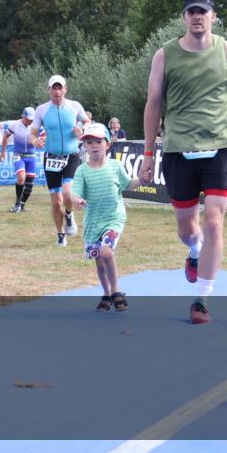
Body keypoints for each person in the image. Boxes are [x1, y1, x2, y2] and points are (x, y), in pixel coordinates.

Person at [140, 0, 227, 325]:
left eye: (203, 11)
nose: (197, 17)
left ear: (213, 16)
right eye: (191, 12)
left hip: (220, 147)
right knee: (187, 229)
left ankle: (201, 299)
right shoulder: (164, 55)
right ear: (184, 17)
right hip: (178, 150)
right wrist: (149, 153)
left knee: (214, 221)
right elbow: (153, 104)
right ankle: (194, 252)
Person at [71, 123, 141, 313]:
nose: (94, 145)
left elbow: (128, 184)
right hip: (93, 222)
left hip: (114, 218)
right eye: (89, 142)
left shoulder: (116, 166)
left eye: (98, 141)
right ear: (84, 146)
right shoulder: (82, 170)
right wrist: (77, 200)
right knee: (99, 261)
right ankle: (107, 293)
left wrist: (142, 179)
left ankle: (117, 290)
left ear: (107, 144)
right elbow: (74, 192)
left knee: (107, 252)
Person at [30, 75, 87, 246]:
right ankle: (60, 234)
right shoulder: (42, 110)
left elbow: (87, 121)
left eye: (59, 87)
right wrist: (35, 141)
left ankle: (69, 215)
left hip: (71, 156)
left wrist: (81, 130)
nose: (57, 91)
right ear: (49, 90)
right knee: (56, 201)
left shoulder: (74, 106)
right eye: (53, 88)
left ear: (65, 89)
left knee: (68, 192)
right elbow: (32, 133)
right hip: (51, 158)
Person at [0, 106, 41, 213]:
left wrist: (40, 140)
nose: (31, 120)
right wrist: (3, 152)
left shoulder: (36, 125)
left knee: (30, 183)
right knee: (21, 178)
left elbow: (45, 137)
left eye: (32, 118)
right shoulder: (15, 125)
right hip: (19, 155)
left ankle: (22, 205)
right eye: (29, 118)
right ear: (23, 116)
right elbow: (6, 136)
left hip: (31, 156)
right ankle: (17, 203)